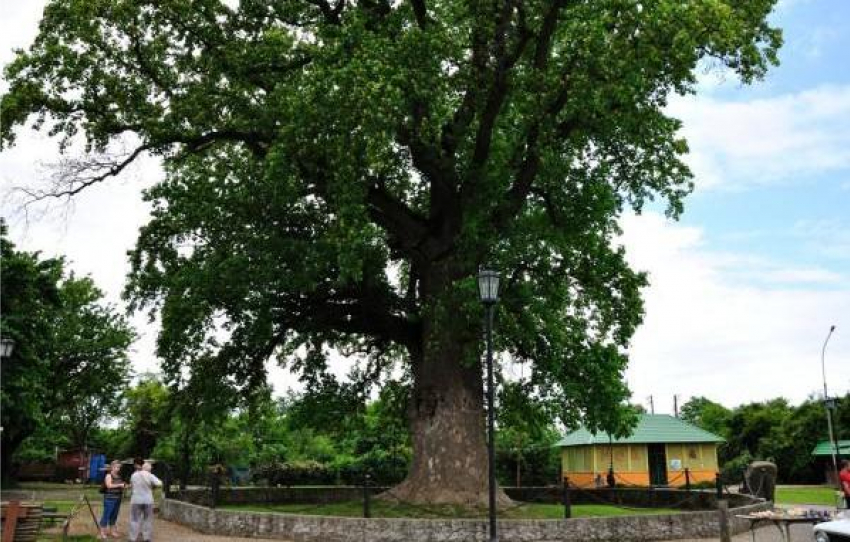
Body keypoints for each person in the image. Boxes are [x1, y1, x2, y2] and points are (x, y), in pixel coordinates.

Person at [128, 457, 162, 542]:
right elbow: (159, 483)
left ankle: (133, 538)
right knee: (147, 519)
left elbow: (132, 485)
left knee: (134, 519)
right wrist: (151, 485)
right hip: (148, 500)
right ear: (148, 468)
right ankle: (147, 537)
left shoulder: (134, 475)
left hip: (136, 500)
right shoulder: (150, 475)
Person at [100, 460, 125, 540]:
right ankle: (102, 532)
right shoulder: (108, 475)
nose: (118, 469)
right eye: (117, 467)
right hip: (109, 499)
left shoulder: (118, 476)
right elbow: (109, 485)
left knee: (114, 516)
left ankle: (112, 531)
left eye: (119, 467)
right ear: (112, 467)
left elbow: (119, 485)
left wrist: (124, 486)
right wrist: (120, 485)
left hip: (118, 498)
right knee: (106, 515)